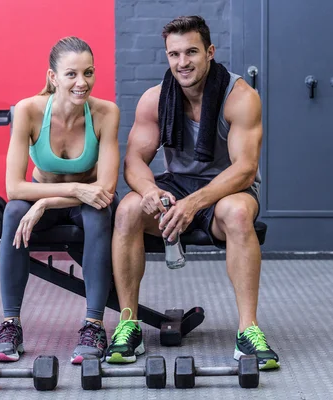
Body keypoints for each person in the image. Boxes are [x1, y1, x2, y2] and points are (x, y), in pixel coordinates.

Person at [105, 16, 280, 370]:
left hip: (226, 186)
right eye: (174, 54)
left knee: (238, 213)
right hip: (176, 182)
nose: (182, 62)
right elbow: (134, 161)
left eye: (191, 52)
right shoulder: (155, 98)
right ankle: (129, 324)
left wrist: (193, 203)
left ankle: (248, 331)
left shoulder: (241, 97)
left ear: (210, 53)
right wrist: (150, 190)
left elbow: (244, 168)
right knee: (127, 209)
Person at [0, 36, 120, 364]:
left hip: (82, 205)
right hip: (46, 198)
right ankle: (10, 324)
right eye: (71, 74)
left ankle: (93, 324)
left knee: (98, 213)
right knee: (13, 212)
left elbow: (103, 189)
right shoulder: (28, 110)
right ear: (53, 77)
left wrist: (49, 201)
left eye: (89, 73)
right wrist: (75, 190)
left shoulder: (106, 113)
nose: (82, 82)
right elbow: (14, 188)